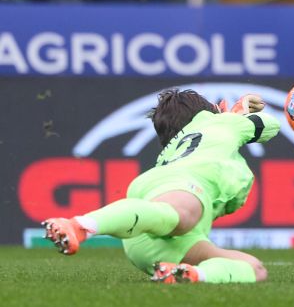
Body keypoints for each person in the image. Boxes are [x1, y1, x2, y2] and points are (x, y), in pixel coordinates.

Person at [42, 89, 278, 284]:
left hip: (147, 242)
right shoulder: (219, 123)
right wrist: (237, 114)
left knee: (254, 269)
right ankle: (79, 225)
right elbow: (270, 125)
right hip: (179, 190)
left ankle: (192, 275)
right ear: (208, 113)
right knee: (183, 215)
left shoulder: (178, 144)